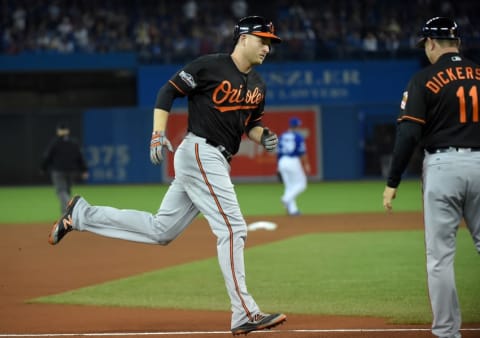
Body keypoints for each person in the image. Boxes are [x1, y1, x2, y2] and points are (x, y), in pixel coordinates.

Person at [48, 16, 287, 336]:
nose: (268, 47)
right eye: (263, 39)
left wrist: (262, 136)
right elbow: (167, 92)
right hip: (202, 151)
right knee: (232, 228)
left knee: (162, 230)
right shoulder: (210, 67)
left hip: (214, 158)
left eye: (270, 42)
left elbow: (250, 124)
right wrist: (157, 134)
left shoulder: (258, 84)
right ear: (243, 39)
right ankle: (244, 312)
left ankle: (81, 215)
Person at [382, 17, 480, 338]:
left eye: (426, 43)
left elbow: (408, 133)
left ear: (433, 43)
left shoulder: (424, 79)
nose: (425, 49)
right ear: (459, 44)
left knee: (440, 258)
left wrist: (393, 180)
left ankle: (446, 333)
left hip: (443, 166)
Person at [41, 122, 88, 214]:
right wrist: (84, 170)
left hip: (58, 171)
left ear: (58, 131)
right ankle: (65, 215)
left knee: (61, 191)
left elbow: (47, 156)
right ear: (67, 131)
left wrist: (43, 168)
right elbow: (80, 157)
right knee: (66, 191)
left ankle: (70, 206)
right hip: (71, 171)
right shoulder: (73, 142)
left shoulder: (55, 142)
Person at [277, 117, 311, 215]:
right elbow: (302, 152)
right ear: (296, 126)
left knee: (289, 187)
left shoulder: (282, 136)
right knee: (302, 184)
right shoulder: (298, 137)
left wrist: (278, 166)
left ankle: (293, 210)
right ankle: (285, 198)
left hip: (282, 161)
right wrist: (306, 164)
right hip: (292, 161)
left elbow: (278, 152)